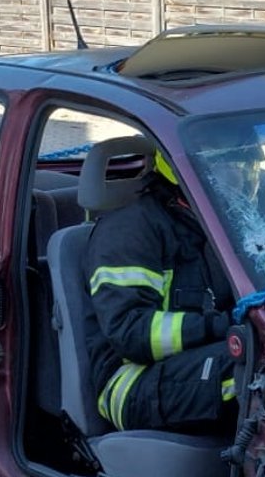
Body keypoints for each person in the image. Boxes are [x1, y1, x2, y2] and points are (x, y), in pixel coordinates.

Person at [85, 154, 238, 433]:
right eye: (230, 163)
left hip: (195, 361)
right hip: (132, 382)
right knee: (262, 368)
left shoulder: (223, 224)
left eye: (247, 163)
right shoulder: (129, 230)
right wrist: (221, 325)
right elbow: (129, 331)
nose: (243, 175)